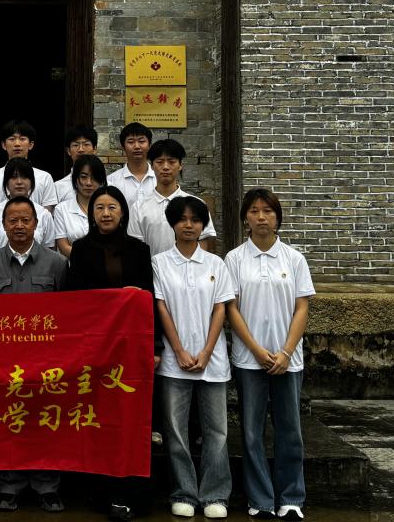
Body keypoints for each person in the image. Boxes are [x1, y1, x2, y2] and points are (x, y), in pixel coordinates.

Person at [64, 185, 159, 522]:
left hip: (131, 350)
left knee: (131, 421)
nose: (105, 213)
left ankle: (133, 493)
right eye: (99, 208)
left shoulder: (139, 249)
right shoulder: (81, 249)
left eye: (112, 207)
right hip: (95, 349)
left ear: (123, 213)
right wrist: (119, 295)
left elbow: (149, 300)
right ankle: (103, 494)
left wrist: (155, 347)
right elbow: (75, 299)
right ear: (92, 214)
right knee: (99, 421)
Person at [225, 189, 314, 522]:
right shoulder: (234, 259)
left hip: (288, 360)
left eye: (267, 211)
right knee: (251, 431)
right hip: (250, 360)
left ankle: (291, 497)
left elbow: (302, 307)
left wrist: (286, 351)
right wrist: (256, 350)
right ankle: (260, 499)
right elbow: (231, 308)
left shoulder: (294, 258)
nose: (261, 217)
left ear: (277, 217)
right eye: (253, 211)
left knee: (290, 430)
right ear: (245, 218)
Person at [0, 196, 68, 514]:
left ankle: (48, 486)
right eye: (13, 220)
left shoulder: (57, 264)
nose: (19, 226)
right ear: (3, 225)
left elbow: (69, 314)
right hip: (4, 363)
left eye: (25, 220)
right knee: (8, 424)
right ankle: (8, 485)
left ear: (36, 224)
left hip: (46, 362)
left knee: (46, 424)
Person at [153, 196, 234, 520]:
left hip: (212, 361)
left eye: (195, 220)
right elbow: (161, 307)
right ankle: (184, 492)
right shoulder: (159, 263)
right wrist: (179, 350)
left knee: (217, 431)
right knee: (176, 431)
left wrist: (205, 351)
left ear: (203, 225)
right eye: (182, 219)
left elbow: (220, 309)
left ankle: (216, 493)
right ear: (173, 224)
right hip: (175, 362)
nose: (189, 225)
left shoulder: (216, 264)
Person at [135, 139, 216, 255]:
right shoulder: (139, 207)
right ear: (152, 166)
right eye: (160, 162)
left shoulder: (197, 204)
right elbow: (136, 245)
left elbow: (203, 239)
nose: (165, 167)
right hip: (151, 266)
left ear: (180, 165)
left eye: (171, 162)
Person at [0, 158, 55, 255]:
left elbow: (49, 250)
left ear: (32, 182)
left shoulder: (44, 214)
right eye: (14, 177)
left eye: (24, 177)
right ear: (6, 182)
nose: (19, 182)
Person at [0, 119, 59, 210]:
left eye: (22, 139)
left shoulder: (45, 178)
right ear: (4, 145)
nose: (17, 144)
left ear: (31, 145)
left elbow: (47, 213)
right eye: (12, 139)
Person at [52, 154, 106, 258]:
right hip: (73, 265)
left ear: (101, 181)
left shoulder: (108, 208)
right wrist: (89, 259)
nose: (88, 183)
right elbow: (63, 246)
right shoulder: (62, 209)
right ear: (75, 179)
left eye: (94, 177)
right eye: (83, 177)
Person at [105, 123, 155, 226]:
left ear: (149, 145)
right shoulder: (111, 181)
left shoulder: (159, 179)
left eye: (141, 141)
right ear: (123, 147)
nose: (137, 146)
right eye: (131, 142)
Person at [53, 125, 98, 204]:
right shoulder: (58, 187)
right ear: (68, 151)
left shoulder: (107, 185)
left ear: (94, 149)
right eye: (76, 145)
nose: (81, 149)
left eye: (86, 144)